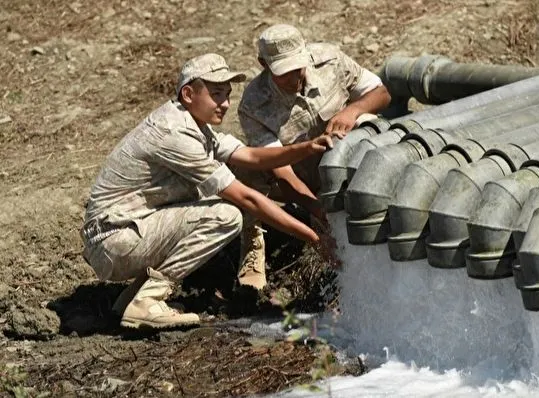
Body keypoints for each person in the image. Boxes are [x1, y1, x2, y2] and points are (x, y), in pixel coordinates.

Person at [80, 53, 334, 329]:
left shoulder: (194, 125)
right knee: (225, 215)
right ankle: (148, 300)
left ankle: (132, 298)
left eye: (227, 94)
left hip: (124, 234)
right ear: (188, 94)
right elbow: (246, 197)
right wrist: (313, 237)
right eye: (216, 94)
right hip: (114, 240)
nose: (224, 104)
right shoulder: (174, 135)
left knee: (212, 199)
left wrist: (308, 148)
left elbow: (250, 157)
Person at [236, 24, 391, 290]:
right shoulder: (254, 104)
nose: (296, 75)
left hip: (352, 165)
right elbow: (281, 170)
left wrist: (352, 111)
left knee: (367, 121)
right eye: (285, 72)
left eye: (298, 65)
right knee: (245, 168)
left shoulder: (330, 60)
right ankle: (252, 243)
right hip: (304, 179)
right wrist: (318, 211)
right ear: (264, 64)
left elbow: (382, 94)